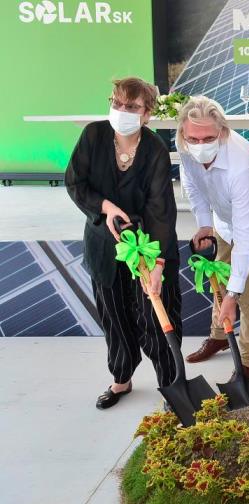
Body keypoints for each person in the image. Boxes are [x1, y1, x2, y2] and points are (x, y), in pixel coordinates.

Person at [65, 77, 181, 409]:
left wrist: (157, 264)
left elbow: (161, 209)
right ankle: (121, 379)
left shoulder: (156, 149)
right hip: (104, 244)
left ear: (147, 113)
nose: (121, 110)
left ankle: (171, 385)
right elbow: (75, 182)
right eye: (117, 103)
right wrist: (105, 207)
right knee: (113, 315)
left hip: (147, 246)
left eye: (131, 106)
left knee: (156, 317)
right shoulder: (93, 136)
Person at [178, 96, 249, 380]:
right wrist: (203, 224)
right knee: (219, 274)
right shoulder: (184, 144)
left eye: (208, 137)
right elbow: (192, 182)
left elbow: (246, 237)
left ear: (222, 132)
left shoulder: (241, 164)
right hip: (223, 219)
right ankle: (219, 336)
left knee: (246, 290)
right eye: (193, 138)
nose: (200, 144)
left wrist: (232, 297)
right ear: (184, 134)